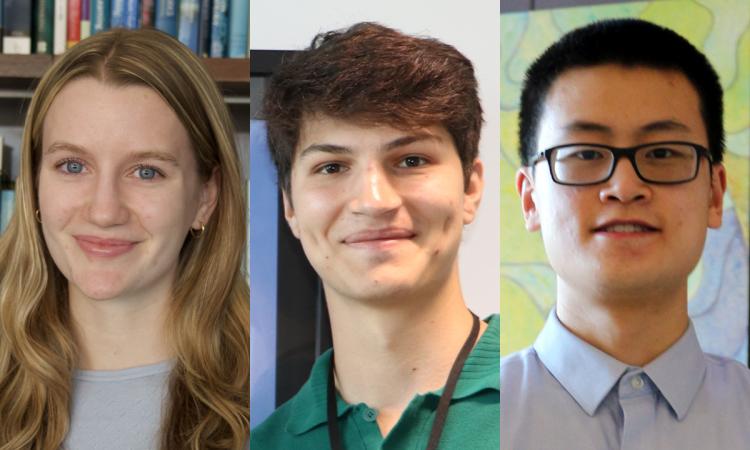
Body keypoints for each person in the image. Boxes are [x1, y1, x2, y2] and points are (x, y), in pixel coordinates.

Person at [502, 18, 750, 449]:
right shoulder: (461, 427)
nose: (625, 187)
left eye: (662, 153)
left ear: (714, 194)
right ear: (530, 200)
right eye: (584, 153)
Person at [251, 22, 499, 450]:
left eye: (412, 159)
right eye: (332, 167)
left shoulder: (559, 404)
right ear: (289, 205)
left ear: (470, 188)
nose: (373, 200)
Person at [0, 28, 249, 449]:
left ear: (205, 197)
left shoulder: (270, 401)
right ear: (33, 184)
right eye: (73, 166)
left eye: (146, 172)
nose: (104, 211)